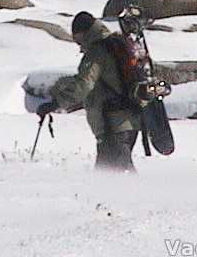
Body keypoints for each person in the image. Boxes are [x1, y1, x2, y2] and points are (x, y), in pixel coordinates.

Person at [38, 11, 141, 172]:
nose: (78, 45)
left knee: (112, 176)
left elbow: (84, 85)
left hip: (113, 123)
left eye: (77, 39)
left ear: (83, 33)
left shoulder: (97, 51)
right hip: (129, 120)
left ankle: (146, 196)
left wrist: (56, 103)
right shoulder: (114, 44)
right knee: (115, 173)